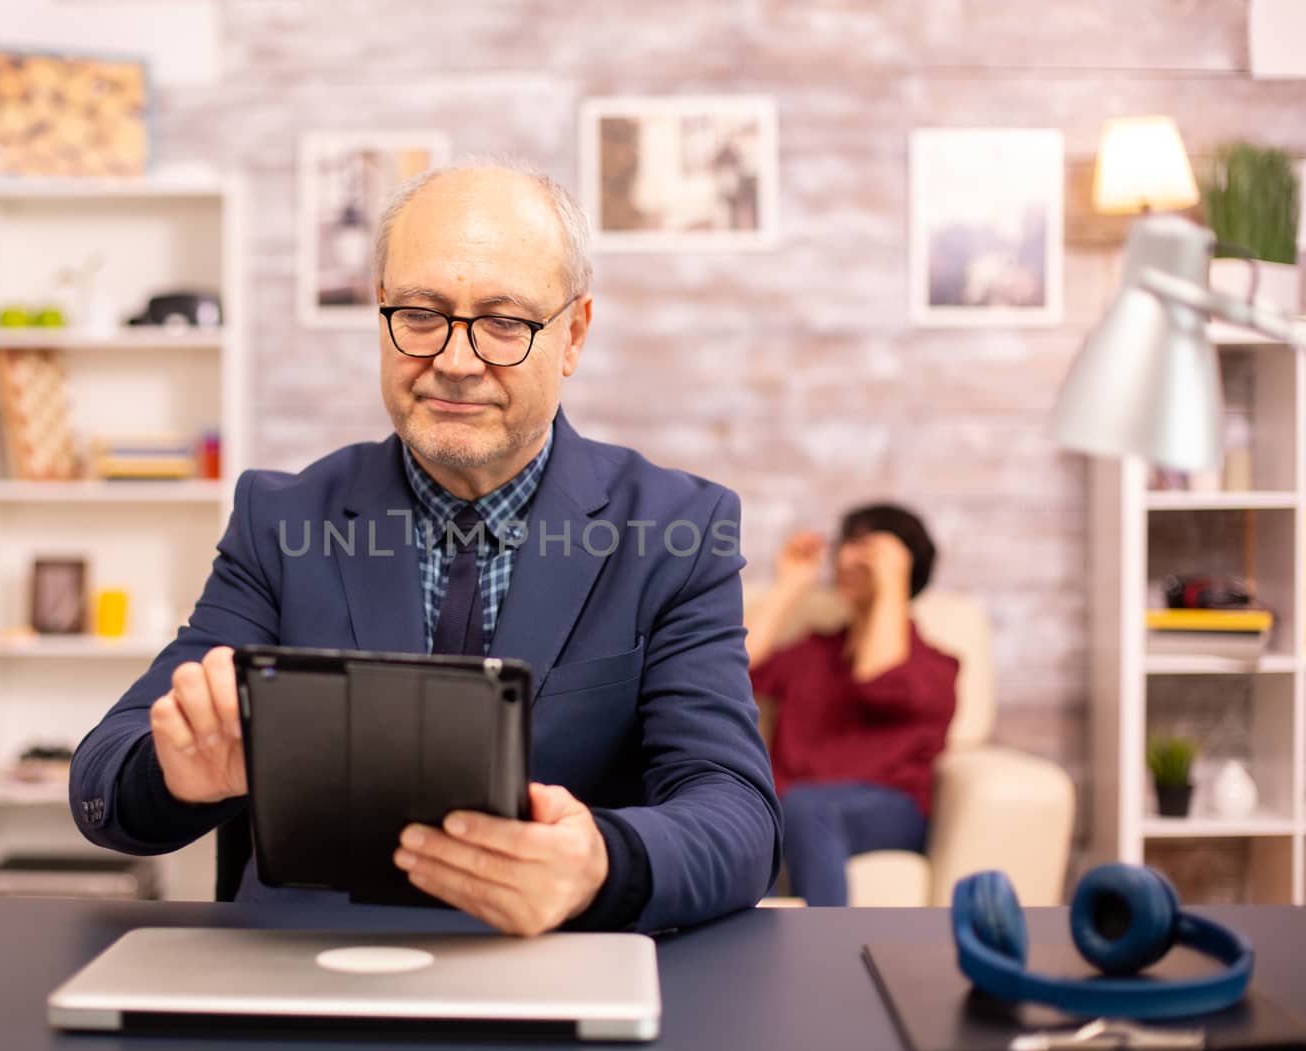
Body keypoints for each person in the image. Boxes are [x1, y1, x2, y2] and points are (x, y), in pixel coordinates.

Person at [70, 160, 781, 936]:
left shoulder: (677, 530)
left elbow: (737, 814)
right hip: (305, 984)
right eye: (420, 313)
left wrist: (598, 864)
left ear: (572, 334)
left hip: (556, 973)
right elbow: (104, 774)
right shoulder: (280, 520)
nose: (454, 359)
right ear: (380, 309)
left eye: (505, 322)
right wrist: (175, 776)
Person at [743, 503, 957, 907]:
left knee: (807, 807)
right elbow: (728, 668)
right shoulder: (814, 651)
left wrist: (893, 584)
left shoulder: (934, 666)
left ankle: (829, 954)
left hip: (889, 807)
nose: (844, 559)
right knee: (749, 812)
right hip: (792, 804)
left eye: (867, 550)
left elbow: (878, 681)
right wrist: (790, 584)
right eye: (845, 546)